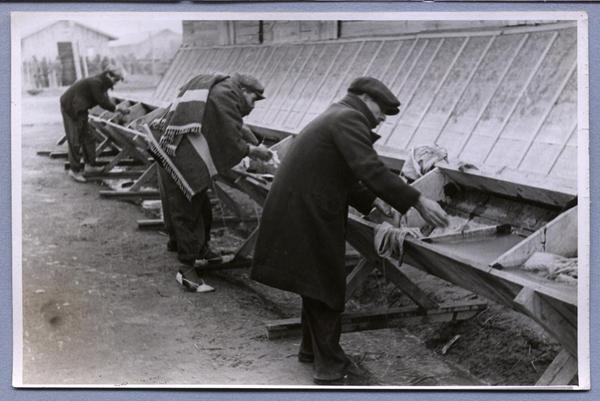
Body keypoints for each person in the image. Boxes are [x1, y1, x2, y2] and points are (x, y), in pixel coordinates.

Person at [250, 77, 449, 385]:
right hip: (310, 211)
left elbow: (345, 172)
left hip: (301, 207)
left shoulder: (335, 115)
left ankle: (310, 350)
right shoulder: (349, 118)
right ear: (366, 98)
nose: (383, 117)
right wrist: (418, 200)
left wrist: (372, 201)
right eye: (382, 110)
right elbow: (369, 167)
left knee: (312, 279)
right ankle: (330, 366)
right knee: (327, 284)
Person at [155, 73, 272, 293]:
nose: (253, 106)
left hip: (172, 147)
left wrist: (247, 136)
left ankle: (198, 249)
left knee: (198, 204)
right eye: (254, 99)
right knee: (187, 209)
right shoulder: (226, 95)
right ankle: (187, 270)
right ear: (244, 91)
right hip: (180, 157)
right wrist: (255, 151)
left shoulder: (223, 90)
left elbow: (230, 124)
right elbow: (229, 138)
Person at [59, 68, 129, 182]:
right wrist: (117, 108)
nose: (115, 83)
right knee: (75, 140)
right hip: (71, 108)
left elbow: (104, 98)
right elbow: (101, 100)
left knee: (88, 137)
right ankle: (74, 170)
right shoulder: (96, 83)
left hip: (81, 108)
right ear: (110, 76)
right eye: (116, 80)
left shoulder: (101, 82)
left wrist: (116, 109)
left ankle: (90, 166)